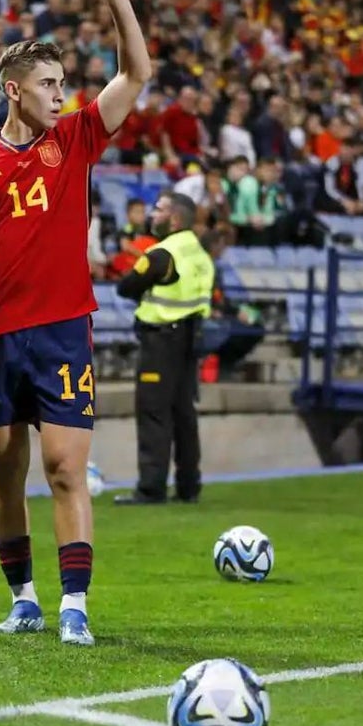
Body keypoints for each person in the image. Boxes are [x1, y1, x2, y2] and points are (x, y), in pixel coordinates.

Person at [0, 0, 149, 647]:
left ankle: (75, 606)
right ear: (15, 90)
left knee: (65, 469)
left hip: (62, 330)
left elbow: (135, 73)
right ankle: (24, 597)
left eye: (64, 82)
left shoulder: (80, 138)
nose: (63, 93)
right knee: (5, 468)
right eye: (51, 84)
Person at [112, 191, 214, 505]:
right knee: (184, 413)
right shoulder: (199, 253)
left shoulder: (162, 254)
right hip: (190, 339)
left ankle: (151, 488)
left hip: (160, 342)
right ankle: (189, 487)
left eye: (158, 210)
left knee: (154, 413)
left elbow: (126, 286)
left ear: (174, 219)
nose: (151, 216)